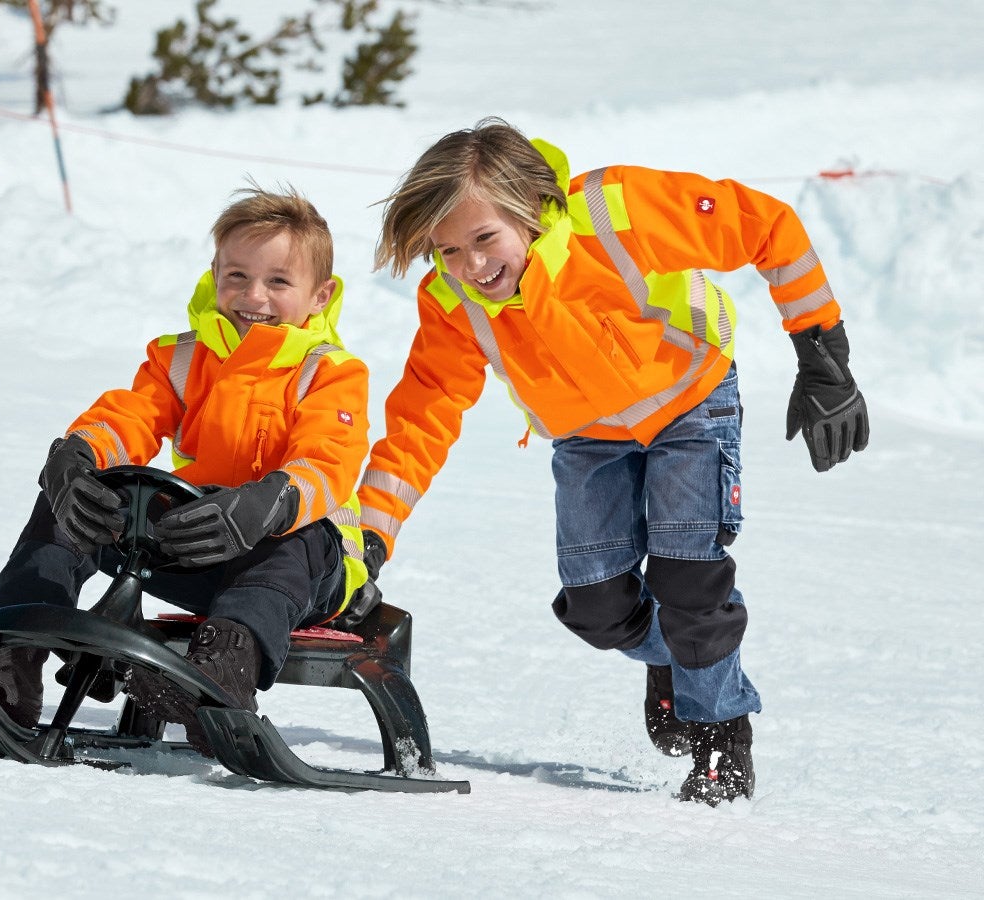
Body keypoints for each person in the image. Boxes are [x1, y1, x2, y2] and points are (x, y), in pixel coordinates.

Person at [354, 118, 868, 806]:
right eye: (448, 250)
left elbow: (766, 226)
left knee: (691, 582)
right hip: (586, 437)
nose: (471, 266)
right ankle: (676, 658)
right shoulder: (452, 304)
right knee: (598, 609)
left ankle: (721, 733)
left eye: (484, 239)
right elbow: (422, 418)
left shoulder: (615, 211)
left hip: (689, 400)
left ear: (532, 210)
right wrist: (369, 537)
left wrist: (823, 356)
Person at [0, 187, 372, 753]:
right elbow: (130, 417)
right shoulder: (181, 357)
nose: (254, 295)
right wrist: (79, 455)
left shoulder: (330, 373)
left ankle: (220, 675)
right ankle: (9, 656)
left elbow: (328, 461)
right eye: (237, 275)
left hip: (308, 566)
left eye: (279, 281)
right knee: (76, 501)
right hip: (201, 541)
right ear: (215, 273)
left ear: (319, 295)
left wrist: (268, 503)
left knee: (291, 541)